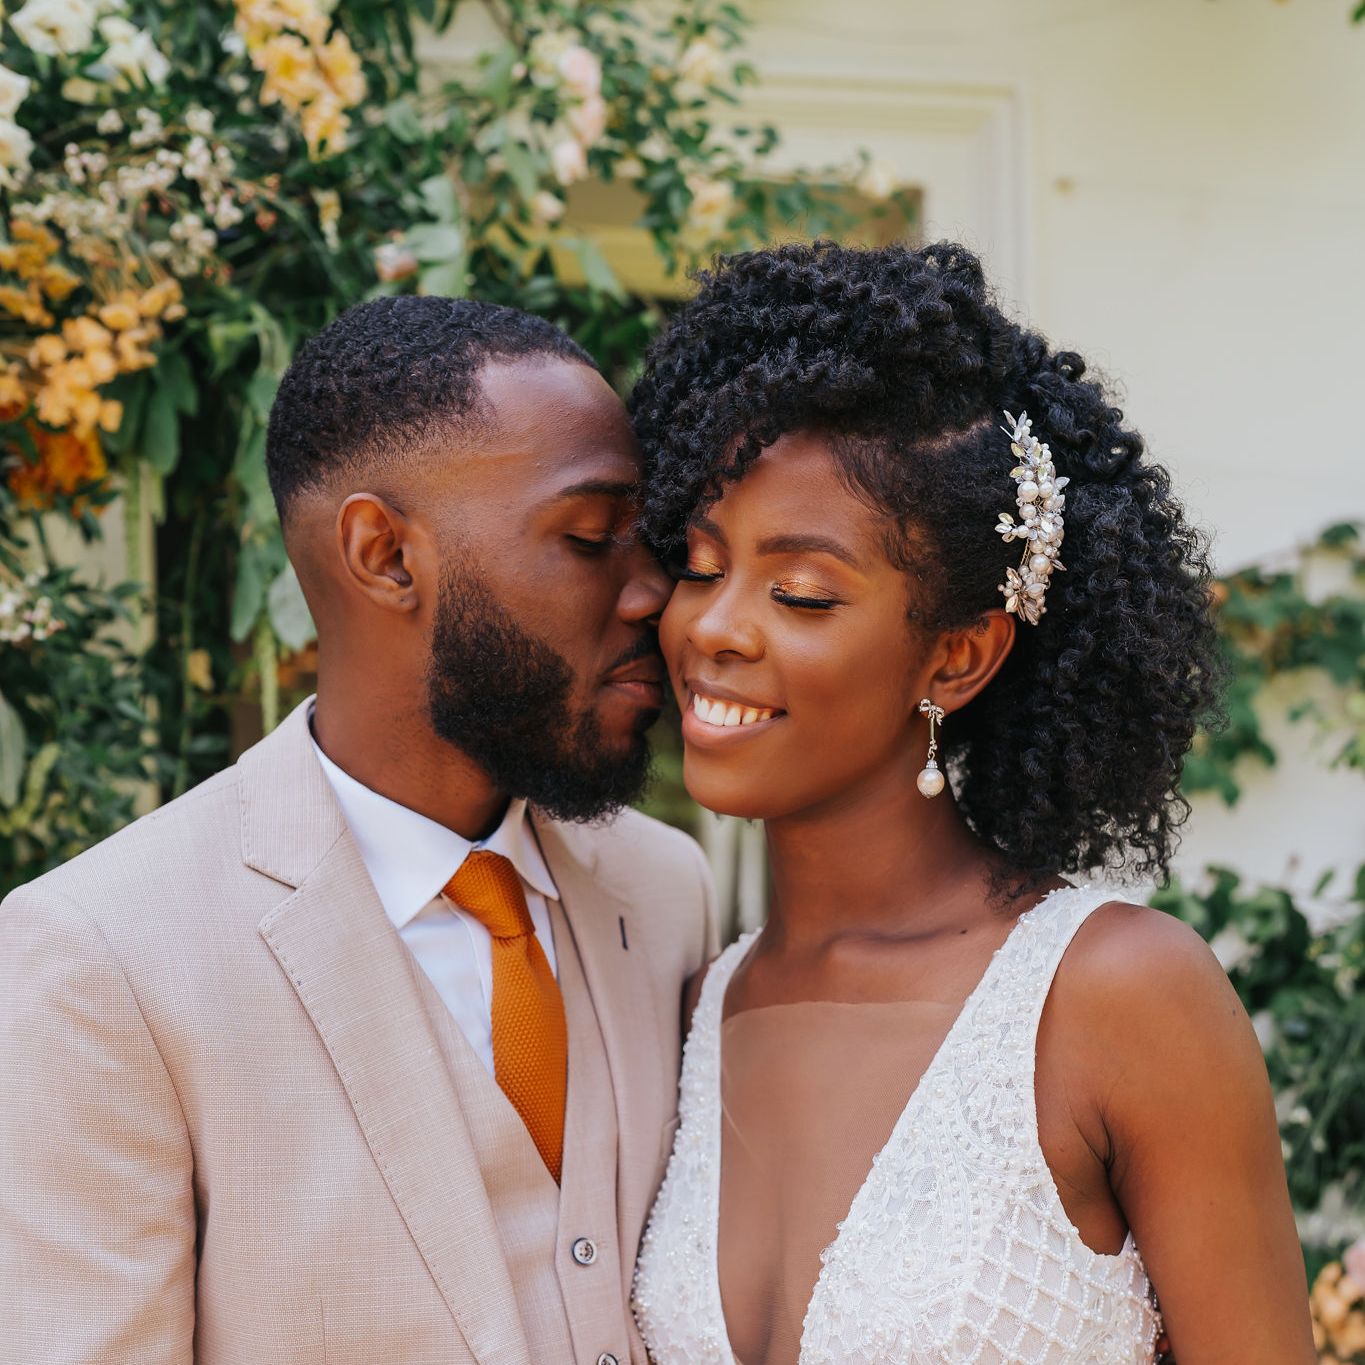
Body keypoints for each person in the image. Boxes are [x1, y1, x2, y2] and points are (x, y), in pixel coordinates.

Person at [630, 242, 1316, 1364]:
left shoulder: (1116, 995)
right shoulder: (699, 1005)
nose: (713, 626)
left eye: (800, 592)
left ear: (957, 657)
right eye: (702, 567)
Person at [0, 297, 716, 1365]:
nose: (653, 591)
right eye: (587, 537)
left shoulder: (665, 890)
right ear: (384, 555)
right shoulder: (103, 959)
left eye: (646, 539)